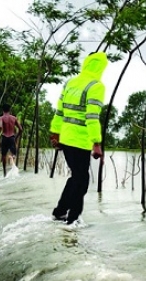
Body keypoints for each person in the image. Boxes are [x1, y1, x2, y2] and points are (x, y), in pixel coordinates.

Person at [49, 52, 108, 224]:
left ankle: (60, 212)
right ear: (101, 67)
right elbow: (92, 116)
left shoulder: (71, 82)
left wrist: (55, 132)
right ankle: (72, 220)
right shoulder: (96, 86)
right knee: (81, 180)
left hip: (66, 138)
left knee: (77, 177)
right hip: (80, 140)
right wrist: (96, 143)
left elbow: (59, 110)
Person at [0, 104, 23, 176]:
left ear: (3, 110)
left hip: (4, 138)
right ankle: (13, 169)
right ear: (10, 110)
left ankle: (5, 174)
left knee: (4, 156)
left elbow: (0, 126)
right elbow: (20, 129)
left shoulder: (1, 118)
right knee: (13, 154)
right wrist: (16, 137)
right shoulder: (14, 118)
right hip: (12, 138)